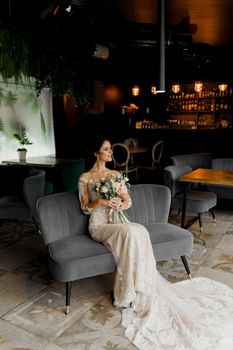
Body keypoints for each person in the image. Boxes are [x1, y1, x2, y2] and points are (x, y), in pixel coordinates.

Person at [78, 137, 233, 350]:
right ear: (96, 153)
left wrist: (119, 204)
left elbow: (128, 200)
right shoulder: (85, 178)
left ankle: (141, 285)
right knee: (132, 233)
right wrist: (102, 201)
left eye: (110, 149)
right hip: (98, 225)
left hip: (118, 221)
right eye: (106, 149)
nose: (111, 152)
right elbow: (86, 208)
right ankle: (126, 293)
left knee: (139, 230)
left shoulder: (115, 175)